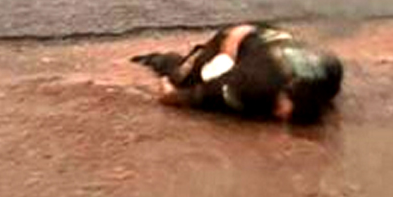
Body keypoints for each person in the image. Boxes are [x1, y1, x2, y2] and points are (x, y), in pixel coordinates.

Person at [132, 24, 343, 123]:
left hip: (272, 37)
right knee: (183, 77)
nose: (278, 115)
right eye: (281, 109)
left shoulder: (331, 72)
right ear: (284, 90)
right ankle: (158, 59)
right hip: (236, 39)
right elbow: (202, 95)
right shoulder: (253, 84)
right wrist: (170, 94)